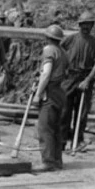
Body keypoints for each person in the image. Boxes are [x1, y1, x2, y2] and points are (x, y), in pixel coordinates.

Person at [60, 11, 95, 151]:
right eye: (83, 24)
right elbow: (59, 51)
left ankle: (77, 141)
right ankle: (61, 141)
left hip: (85, 78)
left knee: (82, 112)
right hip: (69, 78)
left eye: (89, 25)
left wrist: (87, 80)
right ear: (79, 25)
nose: (86, 27)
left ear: (92, 26)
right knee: (64, 111)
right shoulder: (70, 39)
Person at [31, 25, 68, 171]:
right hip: (59, 91)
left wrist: (38, 94)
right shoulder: (63, 52)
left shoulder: (49, 50)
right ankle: (57, 161)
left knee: (45, 128)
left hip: (50, 91)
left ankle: (48, 162)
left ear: (47, 38)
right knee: (55, 129)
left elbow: (46, 74)